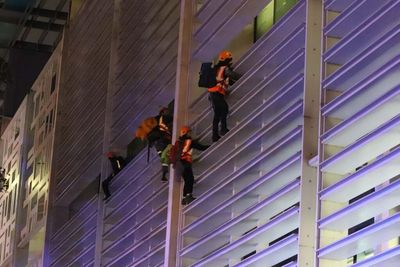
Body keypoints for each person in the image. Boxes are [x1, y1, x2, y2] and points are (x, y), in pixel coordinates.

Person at [208, 51, 240, 142]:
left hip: (214, 94)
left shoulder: (217, 69)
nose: (230, 61)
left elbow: (227, 81)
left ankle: (215, 136)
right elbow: (232, 75)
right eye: (229, 59)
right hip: (216, 94)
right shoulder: (223, 68)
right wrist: (244, 77)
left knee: (217, 115)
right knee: (224, 109)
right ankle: (223, 129)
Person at [179, 126, 209, 205]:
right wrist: (212, 146)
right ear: (187, 133)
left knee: (186, 180)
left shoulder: (179, 142)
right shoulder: (189, 141)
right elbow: (201, 147)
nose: (191, 133)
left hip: (178, 165)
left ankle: (184, 198)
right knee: (190, 179)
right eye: (189, 132)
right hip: (185, 162)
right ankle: (189, 196)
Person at [151, 107, 173, 182]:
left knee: (165, 158)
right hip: (162, 141)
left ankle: (164, 176)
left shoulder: (156, 120)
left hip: (159, 143)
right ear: (162, 112)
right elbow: (170, 119)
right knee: (166, 156)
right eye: (166, 111)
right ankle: (164, 175)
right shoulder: (161, 118)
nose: (168, 112)